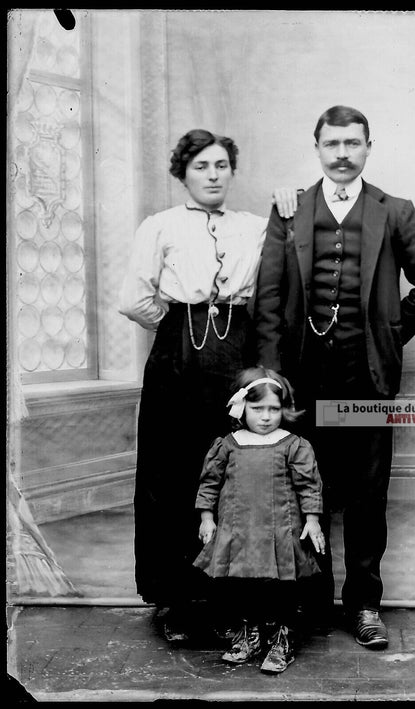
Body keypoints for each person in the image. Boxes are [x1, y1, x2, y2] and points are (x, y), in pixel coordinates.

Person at [254, 105, 415, 650]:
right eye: (332, 144)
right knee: (304, 492)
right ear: (316, 148)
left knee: (367, 497)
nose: (342, 154)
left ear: (368, 148)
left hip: (367, 384)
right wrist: (273, 377)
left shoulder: (395, 211)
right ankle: (313, 605)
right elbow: (269, 301)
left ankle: (365, 605)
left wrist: (386, 334)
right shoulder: (290, 211)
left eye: (353, 144)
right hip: (303, 384)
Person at [119, 129, 296, 641]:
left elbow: (288, 256)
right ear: (182, 173)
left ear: (232, 172)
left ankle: (225, 596)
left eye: (221, 165)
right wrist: (177, 327)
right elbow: (135, 299)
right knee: (171, 472)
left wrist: (291, 196)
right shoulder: (161, 226)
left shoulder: (255, 227)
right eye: (201, 166)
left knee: (231, 470)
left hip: (236, 351)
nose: (213, 175)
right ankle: (174, 599)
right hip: (178, 349)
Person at [193, 367, 325, 673]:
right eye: (257, 409)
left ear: (284, 410)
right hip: (238, 530)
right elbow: (210, 483)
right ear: (241, 408)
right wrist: (206, 518)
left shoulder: (293, 445)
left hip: (279, 528)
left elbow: (308, 485)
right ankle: (248, 635)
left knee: (279, 588)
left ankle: (282, 639)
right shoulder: (228, 444)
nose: (265, 417)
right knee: (239, 587)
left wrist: (312, 519)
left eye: (273, 409)